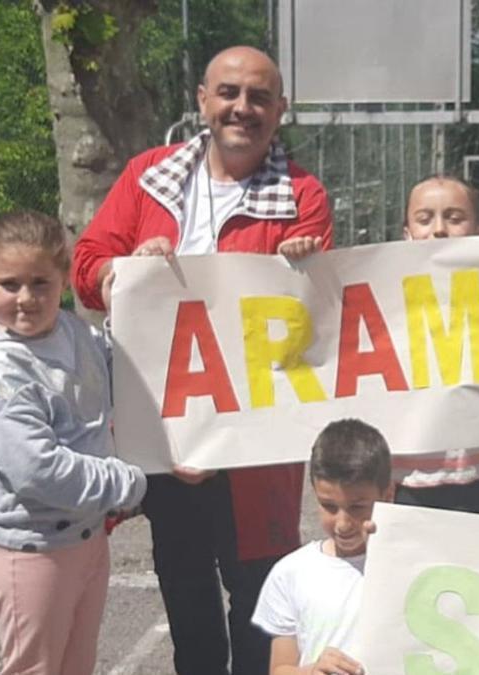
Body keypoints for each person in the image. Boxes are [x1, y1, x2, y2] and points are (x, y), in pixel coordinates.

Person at [71, 46, 333, 674]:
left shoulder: (303, 195)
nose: (243, 108)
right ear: (202, 100)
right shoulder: (147, 176)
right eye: (229, 93)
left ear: (281, 111)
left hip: (256, 445)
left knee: (258, 598)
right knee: (185, 588)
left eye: (259, 98)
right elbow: (85, 266)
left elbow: (319, 315)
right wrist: (121, 271)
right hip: (169, 430)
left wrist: (310, 263)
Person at [0, 210, 147, 675]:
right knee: (35, 667)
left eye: (40, 283)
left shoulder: (73, 331)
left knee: (75, 664)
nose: (26, 299)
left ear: (63, 279)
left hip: (84, 535)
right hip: (29, 546)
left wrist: (144, 283)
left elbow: (119, 368)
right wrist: (133, 482)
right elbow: (37, 470)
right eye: (9, 284)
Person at [394, 176, 479, 516]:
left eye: (455, 218)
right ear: (406, 232)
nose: (439, 229)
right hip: (407, 475)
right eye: (424, 219)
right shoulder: (385, 294)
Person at [252, 418, 392, 675]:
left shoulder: (409, 565)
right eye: (329, 506)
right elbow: (280, 669)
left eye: (357, 507)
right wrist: (314, 670)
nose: (342, 523)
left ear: (387, 495)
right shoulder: (291, 573)